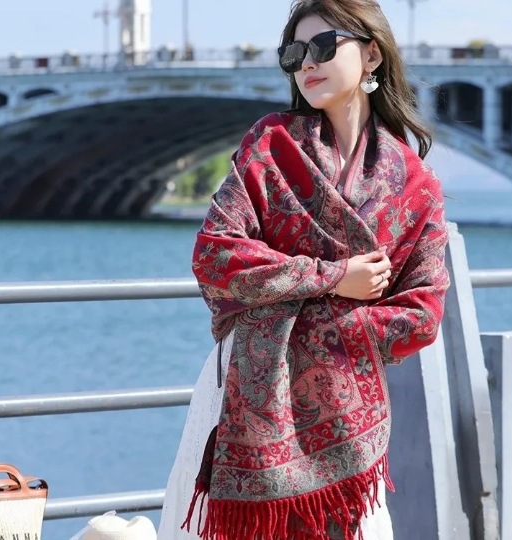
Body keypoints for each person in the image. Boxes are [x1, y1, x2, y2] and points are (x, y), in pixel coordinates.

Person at [157, 0, 450, 538]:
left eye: (322, 46)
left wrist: (331, 332)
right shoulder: (271, 145)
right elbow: (216, 254)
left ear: (371, 55)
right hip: (243, 397)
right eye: (293, 54)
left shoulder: (416, 185)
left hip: (349, 416)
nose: (306, 63)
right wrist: (335, 278)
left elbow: (424, 313)